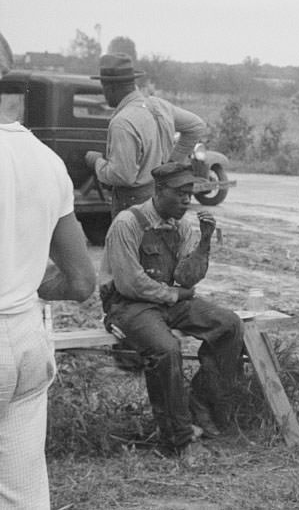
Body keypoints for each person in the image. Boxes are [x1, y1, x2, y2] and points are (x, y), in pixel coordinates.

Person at [100, 162, 243, 462]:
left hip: (166, 301)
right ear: (159, 190)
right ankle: (178, 438)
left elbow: (187, 277)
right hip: (128, 305)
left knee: (228, 324)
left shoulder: (181, 225)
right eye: (179, 194)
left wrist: (204, 242)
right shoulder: (128, 223)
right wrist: (174, 294)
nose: (186, 201)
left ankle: (201, 405)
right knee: (166, 349)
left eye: (189, 194)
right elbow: (129, 282)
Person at [1, 100, 96, 509]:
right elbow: (80, 281)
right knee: (23, 493)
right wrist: (32, 283)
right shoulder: (46, 159)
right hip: (26, 336)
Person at [85, 53, 206, 216]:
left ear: (110, 87)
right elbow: (196, 126)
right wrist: (170, 164)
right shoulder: (160, 105)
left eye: (104, 88)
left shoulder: (122, 122)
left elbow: (122, 176)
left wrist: (97, 162)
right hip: (162, 199)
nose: (104, 93)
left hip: (133, 205)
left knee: (127, 240)